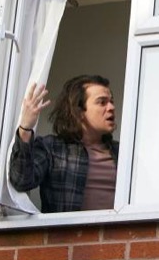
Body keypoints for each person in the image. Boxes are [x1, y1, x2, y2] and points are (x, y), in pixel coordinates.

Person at [9, 74, 118, 213]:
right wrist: (25, 128)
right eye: (102, 102)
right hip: (68, 234)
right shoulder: (52, 148)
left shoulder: (122, 153)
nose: (111, 107)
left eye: (111, 101)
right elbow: (21, 180)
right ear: (78, 112)